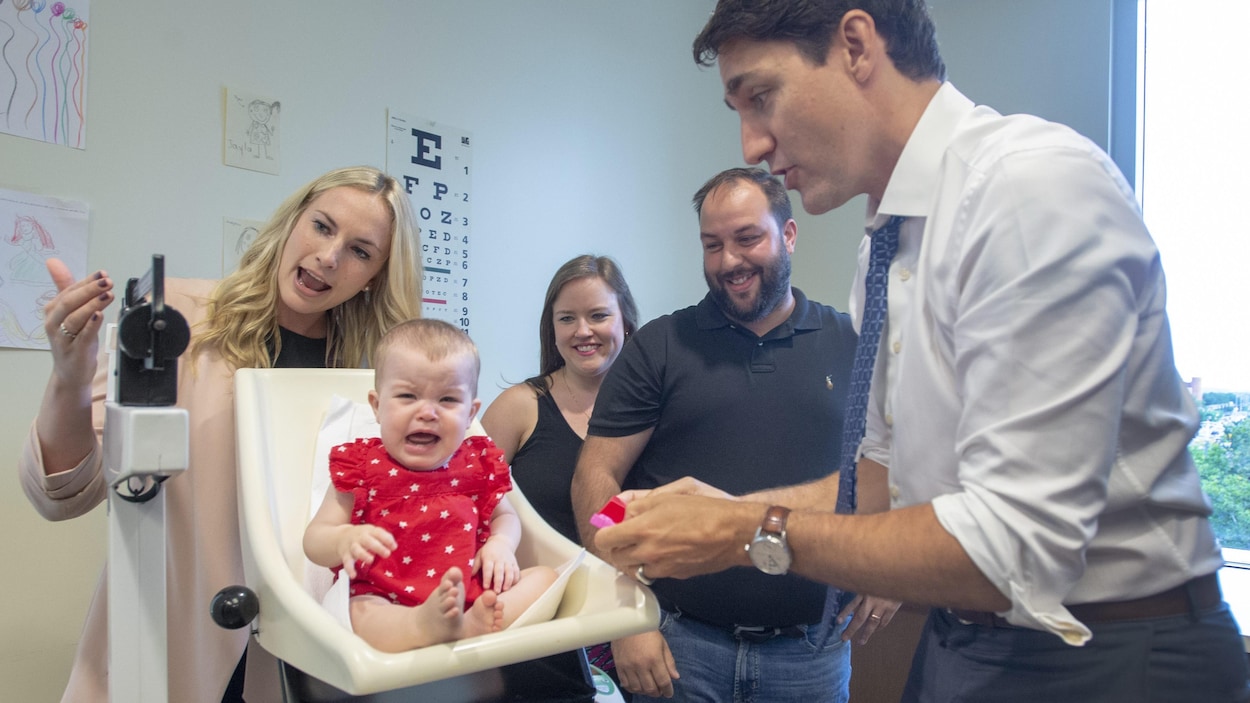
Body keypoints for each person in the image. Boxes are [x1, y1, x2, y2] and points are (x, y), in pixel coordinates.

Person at [593, 3, 1250, 702]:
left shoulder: (1026, 186)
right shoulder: (886, 247)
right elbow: (881, 482)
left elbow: (1013, 547)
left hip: (1106, 651)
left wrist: (742, 529)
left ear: (855, 45)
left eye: (761, 96)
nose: (752, 142)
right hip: (966, 639)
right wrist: (717, 511)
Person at [19, 165, 423, 703]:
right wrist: (69, 378)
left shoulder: (370, 379)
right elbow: (65, 493)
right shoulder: (180, 322)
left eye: (360, 251)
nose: (330, 256)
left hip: (304, 653)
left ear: (374, 276)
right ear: (291, 223)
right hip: (172, 641)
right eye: (322, 227)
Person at [571, 167, 898, 703]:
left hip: (811, 655)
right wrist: (625, 612)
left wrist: (892, 573)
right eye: (712, 245)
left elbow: (892, 471)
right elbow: (596, 476)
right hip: (680, 648)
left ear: (788, 235)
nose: (729, 262)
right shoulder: (660, 346)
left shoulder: (853, 342)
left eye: (748, 238)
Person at [304, 318, 559, 652]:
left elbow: (506, 517)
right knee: (358, 613)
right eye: (408, 396)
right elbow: (314, 540)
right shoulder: (362, 469)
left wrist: (501, 545)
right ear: (377, 406)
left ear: (471, 414)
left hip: (468, 590)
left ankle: (466, 627)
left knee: (547, 580)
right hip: (383, 597)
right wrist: (342, 539)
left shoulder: (477, 465)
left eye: (448, 400)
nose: (427, 412)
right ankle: (422, 626)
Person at [480, 254, 639, 682]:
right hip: (533, 622)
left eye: (598, 315)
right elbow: (467, 499)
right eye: (567, 318)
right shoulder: (519, 407)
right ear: (552, 329)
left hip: (632, 625)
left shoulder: (656, 414)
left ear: (625, 321)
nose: (583, 331)